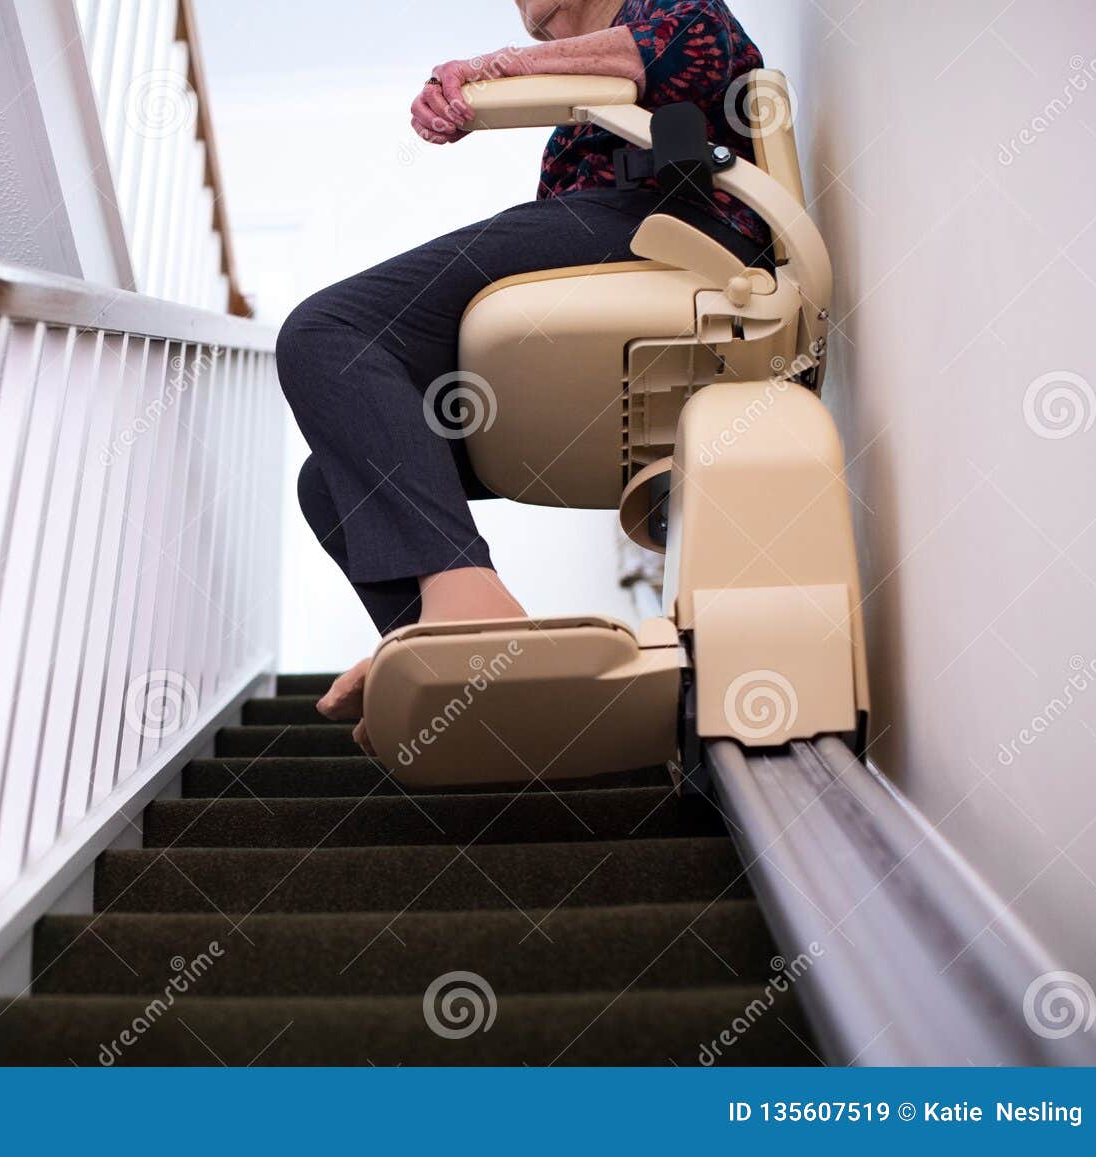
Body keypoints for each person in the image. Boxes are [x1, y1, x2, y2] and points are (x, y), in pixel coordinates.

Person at [276, 0, 770, 752]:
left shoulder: (680, 9)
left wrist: (491, 69)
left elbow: (661, 51)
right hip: (607, 267)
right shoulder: (576, 114)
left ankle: (472, 609)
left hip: (671, 230)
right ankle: (454, 676)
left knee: (326, 332)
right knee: (330, 481)